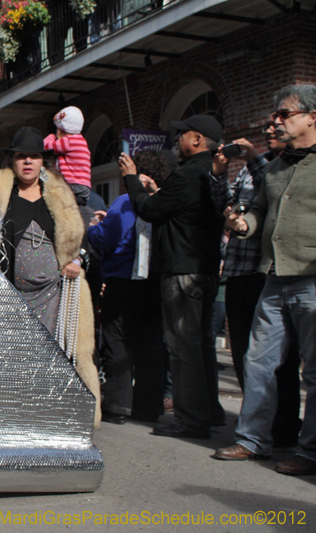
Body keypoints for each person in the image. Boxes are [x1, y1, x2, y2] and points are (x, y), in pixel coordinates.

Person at [0, 127, 101, 426]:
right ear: (13, 161)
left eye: (34, 156)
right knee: (10, 355)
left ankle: (49, 416)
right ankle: (8, 414)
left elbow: (78, 238)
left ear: (42, 161)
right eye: (21, 157)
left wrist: (77, 260)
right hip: (9, 294)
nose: (28, 162)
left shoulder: (58, 194)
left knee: (50, 356)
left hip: (53, 295)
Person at [214, 84, 316, 475]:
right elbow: (257, 213)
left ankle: (310, 450)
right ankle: (252, 440)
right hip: (273, 279)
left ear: (311, 117)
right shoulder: (274, 168)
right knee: (257, 363)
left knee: (314, 371)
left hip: (310, 278)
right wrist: (241, 224)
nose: (276, 121)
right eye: (275, 114)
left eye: (284, 114)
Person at [123, 114, 225, 439]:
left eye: (181, 134)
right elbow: (179, 209)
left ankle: (192, 419)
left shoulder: (189, 174)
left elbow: (151, 211)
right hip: (206, 269)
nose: (176, 141)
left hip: (182, 271)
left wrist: (131, 180)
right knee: (203, 345)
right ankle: (210, 411)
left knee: (183, 348)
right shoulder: (211, 173)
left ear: (196, 139)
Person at [209, 116, 301, 448]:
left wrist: (253, 158)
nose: (270, 130)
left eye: (278, 124)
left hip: (268, 272)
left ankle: (286, 426)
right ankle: (256, 427)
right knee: (249, 356)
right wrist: (221, 176)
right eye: (266, 127)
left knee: (283, 360)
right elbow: (227, 207)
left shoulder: (282, 167)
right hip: (238, 271)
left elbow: (272, 196)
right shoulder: (251, 169)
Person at [88, 150, 169, 424]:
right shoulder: (165, 199)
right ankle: (149, 406)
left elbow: (107, 238)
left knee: (118, 342)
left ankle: (118, 405)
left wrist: (95, 225)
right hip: (154, 279)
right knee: (150, 343)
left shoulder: (125, 202)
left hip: (123, 280)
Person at [43, 106, 92, 206]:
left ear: (61, 130)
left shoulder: (68, 141)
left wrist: (51, 136)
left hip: (73, 185)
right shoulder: (80, 140)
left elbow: (46, 147)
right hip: (83, 187)